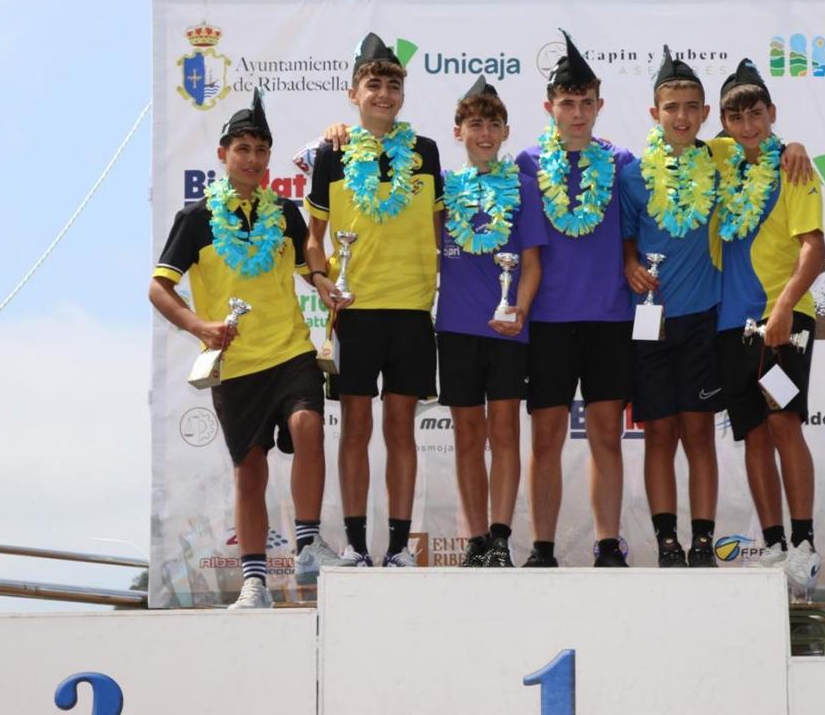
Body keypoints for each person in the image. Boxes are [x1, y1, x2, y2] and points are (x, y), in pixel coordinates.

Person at [149, 91, 341, 609]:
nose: (253, 159)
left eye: (261, 150)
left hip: (290, 350)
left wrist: (326, 282)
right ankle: (254, 582)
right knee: (249, 470)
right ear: (222, 154)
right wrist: (201, 326)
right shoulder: (196, 219)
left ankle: (307, 544)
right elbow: (159, 289)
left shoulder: (285, 212)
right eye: (243, 149)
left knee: (307, 426)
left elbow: (314, 269)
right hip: (236, 363)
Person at [304, 32, 444, 567]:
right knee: (356, 429)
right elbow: (314, 236)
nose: (382, 93)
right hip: (354, 310)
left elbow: (440, 229)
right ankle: (357, 545)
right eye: (372, 84)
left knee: (401, 428)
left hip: (412, 310)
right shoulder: (331, 153)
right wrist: (319, 279)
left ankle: (402, 547)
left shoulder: (426, 152)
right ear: (352, 92)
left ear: (402, 94)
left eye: (392, 84)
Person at [517, 30, 635, 568]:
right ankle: (542, 546)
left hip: (611, 317)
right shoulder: (523, 163)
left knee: (607, 437)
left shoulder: (623, 160)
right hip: (546, 321)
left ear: (600, 104)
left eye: (588, 102)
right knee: (546, 440)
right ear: (550, 108)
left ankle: (607, 542)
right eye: (568, 103)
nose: (579, 112)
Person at [714, 58, 825, 594]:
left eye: (756, 114)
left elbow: (815, 249)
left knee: (785, 424)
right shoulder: (717, 160)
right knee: (753, 432)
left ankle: (805, 546)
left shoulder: (795, 166)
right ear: (724, 123)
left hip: (783, 316)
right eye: (736, 117)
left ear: (771, 114)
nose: (748, 126)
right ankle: (775, 545)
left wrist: (782, 308)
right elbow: (674, 139)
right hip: (731, 322)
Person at [619, 47, 726, 567]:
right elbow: (624, 242)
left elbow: (767, 148)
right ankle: (667, 540)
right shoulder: (631, 176)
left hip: (704, 316)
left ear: (706, 114)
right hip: (649, 320)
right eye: (671, 107)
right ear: (654, 114)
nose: (681, 117)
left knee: (699, 431)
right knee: (659, 432)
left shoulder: (724, 163)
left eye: (691, 107)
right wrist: (629, 263)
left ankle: (703, 539)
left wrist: (792, 144)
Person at [437, 75, 547, 567]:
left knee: (504, 432)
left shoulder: (525, 188)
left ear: (506, 132)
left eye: (494, 124)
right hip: (456, 328)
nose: (485, 132)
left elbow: (532, 262)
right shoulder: (441, 189)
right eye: (474, 123)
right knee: (466, 435)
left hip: (507, 328)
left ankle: (501, 536)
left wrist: (519, 310)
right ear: (457, 131)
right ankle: (475, 539)